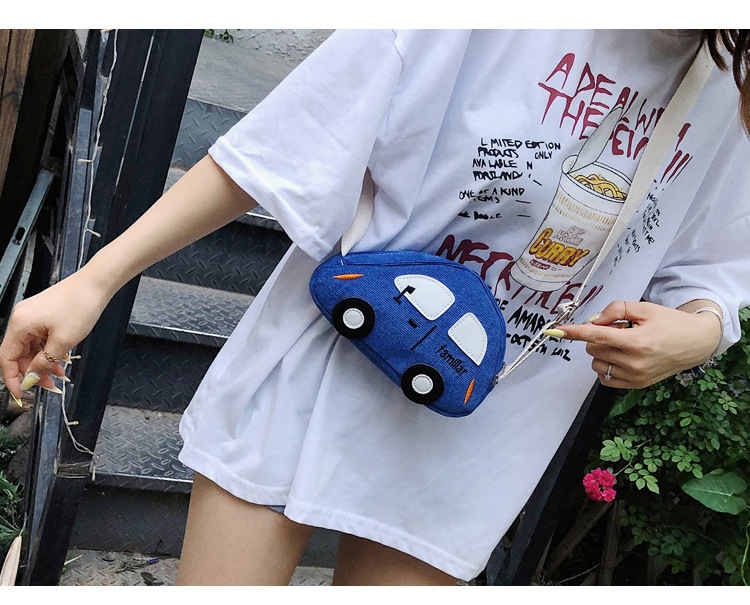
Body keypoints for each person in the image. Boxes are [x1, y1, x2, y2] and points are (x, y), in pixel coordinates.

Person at [1, 29, 749, 586]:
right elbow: (288, 144)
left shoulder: (730, 86)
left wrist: (697, 333)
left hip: (487, 426)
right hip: (318, 370)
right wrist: (95, 279)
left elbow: (715, 266)